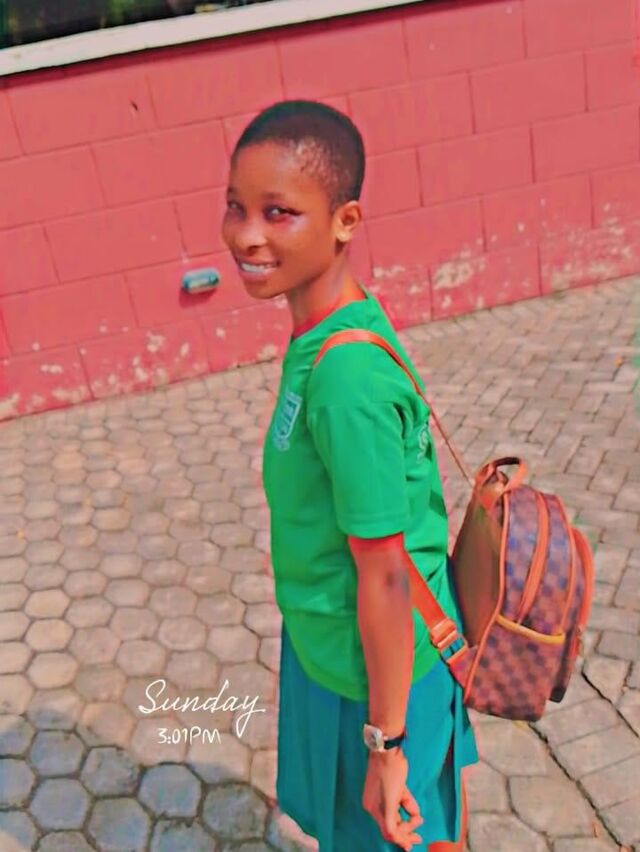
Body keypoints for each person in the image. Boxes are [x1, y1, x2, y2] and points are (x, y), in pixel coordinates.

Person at [221, 99, 478, 852]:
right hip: (333, 652)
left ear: (345, 221)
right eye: (236, 206)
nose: (246, 235)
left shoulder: (345, 378)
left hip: (373, 684)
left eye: (279, 212)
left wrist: (387, 746)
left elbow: (387, 577)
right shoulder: (326, 328)